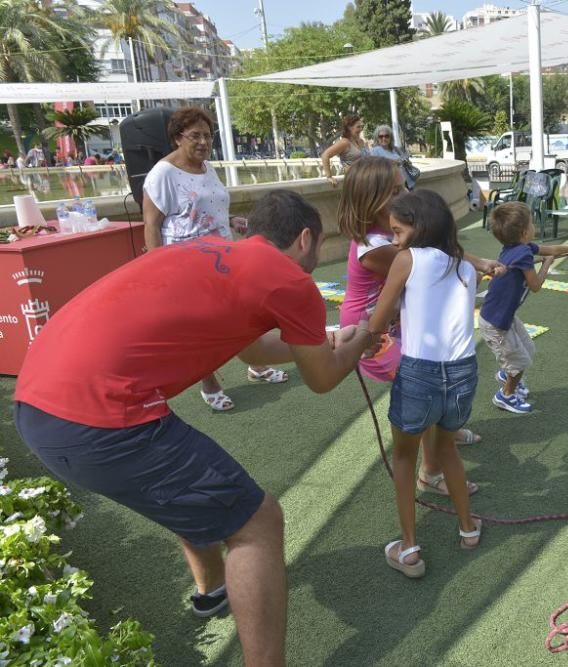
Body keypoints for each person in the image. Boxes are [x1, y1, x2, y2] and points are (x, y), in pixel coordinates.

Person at [14, 189, 371, 666]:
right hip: (100, 422)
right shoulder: (289, 280)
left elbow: (256, 350)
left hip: (35, 402)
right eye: (319, 243)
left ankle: (212, 591)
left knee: (192, 480)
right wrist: (360, 340)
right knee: (257, 522)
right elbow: (323, 378)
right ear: (305, 237)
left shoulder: (208, 249)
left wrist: (328, 340)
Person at [337, 156, 501, 489]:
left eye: (404, 187)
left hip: (398, 322)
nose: (404, 195)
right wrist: (479, 263)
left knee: (431, 379)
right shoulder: (374, 246)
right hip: (373, 334)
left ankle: (444, 432)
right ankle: (431, 471)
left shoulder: (391, 233)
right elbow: (431, 259)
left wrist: (477, 266)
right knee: (424, 386)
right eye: (396, 190)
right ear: (372, 199)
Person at [363, 189, 481, 578]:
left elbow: (378, 323)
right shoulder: (465, 265)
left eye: (398, 231)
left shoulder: (407, 259)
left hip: (420, 372)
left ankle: (409, 547)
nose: (394, 239)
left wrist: (361, 337)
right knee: (447, 448)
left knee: (403, 457)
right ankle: (468, 529)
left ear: (418, 226)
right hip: (463, 370)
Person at [143, 106, 287, 412]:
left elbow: (207, 204)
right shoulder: (163, 174)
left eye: (208, 135)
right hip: (186, 264)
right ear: (177, 138)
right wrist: (157, 272)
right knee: (203, 327)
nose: (203, 142)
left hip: (224, 257)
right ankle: (209, 384)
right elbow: (152, 224)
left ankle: (257, 366)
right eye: (195, 135)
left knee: (245, 314)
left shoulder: (208, 168)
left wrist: (231, 218)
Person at [480, 202, 568, 414]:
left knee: (527, 348)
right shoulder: (523, 254)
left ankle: (508, 375)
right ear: (525, 232)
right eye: (532, 223)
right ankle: (505, 395)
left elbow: (550, 249)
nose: (534, 227)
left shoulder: (520, 247)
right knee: (519, 361)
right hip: (495, 323)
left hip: (503, 317)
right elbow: (535, 286)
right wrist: (546, 264)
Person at [368, 124, 417, 190]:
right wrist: (393, 163)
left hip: (407, 182)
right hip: (392, 186)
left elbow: (405, 160)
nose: (384, 138)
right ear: (377, 138)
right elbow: (375, 168)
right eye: (381, 136)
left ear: (390, 137)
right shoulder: (375, 151)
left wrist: (405, 162)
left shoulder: (395, 149)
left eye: (386, 136)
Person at [321, 114, 367, 181]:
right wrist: (329, 177)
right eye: (358, 127)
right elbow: (325, 155)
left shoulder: (361, 141)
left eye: (361, 127)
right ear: (349, 127)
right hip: (353, 181)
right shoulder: (344, 142)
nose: (361, 129)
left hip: (365, 180)